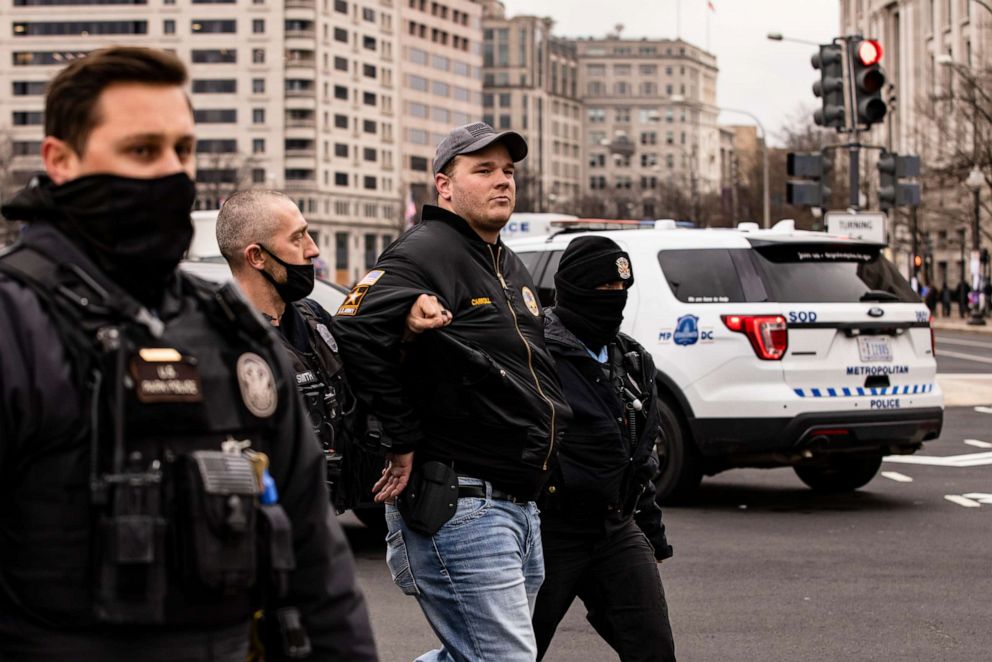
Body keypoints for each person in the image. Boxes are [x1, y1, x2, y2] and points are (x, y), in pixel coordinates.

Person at [0, 47, 377, 661]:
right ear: (60, 160)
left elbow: (318, 562)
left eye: (183, 150)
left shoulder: (228, 327)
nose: (173, 173)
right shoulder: (17, 322)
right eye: (143, 151)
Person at [333, 122, 571, 662]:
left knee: (479, 656)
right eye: (483, 170)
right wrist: (402, 435)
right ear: (444, 185)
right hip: (461, 502)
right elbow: (352, 326)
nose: (502, 182)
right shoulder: (424, 251)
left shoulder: (506, 262)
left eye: (508, 171)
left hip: (518, 504)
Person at [532, 237, 676, 662]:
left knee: (653, 649)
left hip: (615, 527)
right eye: (603, 292)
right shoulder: (534, 352)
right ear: (572, 290)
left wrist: (653, 536)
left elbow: (637, 458)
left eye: (621, 292)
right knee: (513, 652)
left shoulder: (632, 359)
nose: (614, 302)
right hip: (546, 533)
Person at [216, 189, 380, 518]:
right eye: (298, 238)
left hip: (320, 519)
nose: (313, 250)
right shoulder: (222, 336)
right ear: (256, 257)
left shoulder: (313, 318)